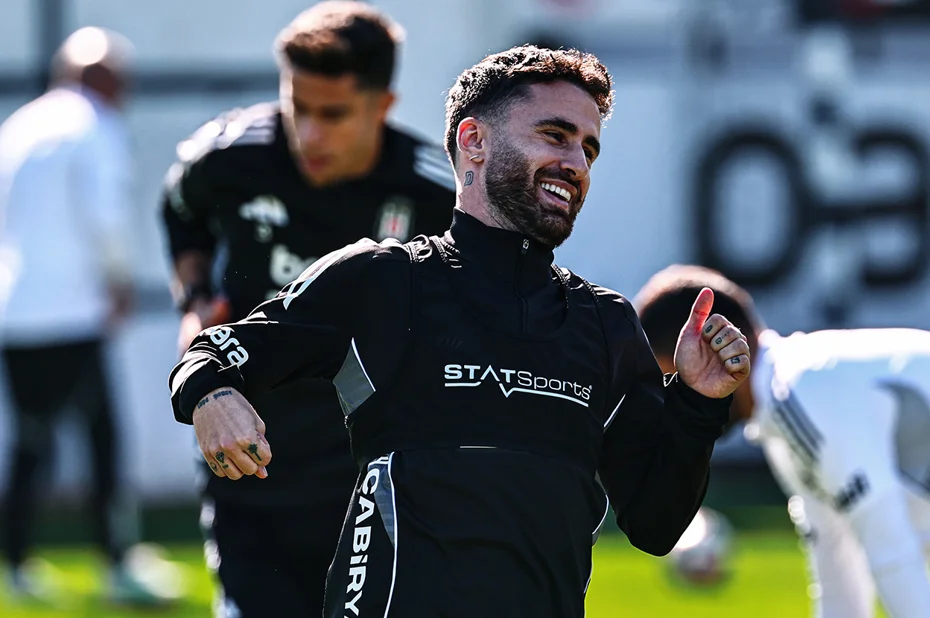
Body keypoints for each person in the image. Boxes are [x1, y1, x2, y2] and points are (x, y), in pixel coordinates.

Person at [168, 45, 749, 618]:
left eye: (588, 148)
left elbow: (655, 525)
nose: (576, 163)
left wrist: (699, 403)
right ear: (474, 141)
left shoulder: (606, 324)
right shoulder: (381, 279)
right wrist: (211, 395)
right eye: (554, 135)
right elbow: (214, 352)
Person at [158, 3, 455, 616]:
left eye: (333, 115)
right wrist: (194, 302)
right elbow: (180, 211)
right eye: (298, 108)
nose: (309, 135)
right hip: (249, 452)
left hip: (371, 467)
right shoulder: (228, 156)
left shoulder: (433, 194)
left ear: (383, 105)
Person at [633, 264, 930, 618]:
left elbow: (892, 552)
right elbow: (838, 577)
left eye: (672, 381)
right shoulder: (786, 417)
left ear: (713, 349)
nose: (671, 406)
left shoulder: (798, 393)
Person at [0, 27, 167, 605]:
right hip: (72, 311)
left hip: (18, 312)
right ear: (104, 79)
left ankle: (15, 565)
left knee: (30, 444)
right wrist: (119, 280)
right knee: (102, 439)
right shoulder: (93, 126)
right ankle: (117, 563)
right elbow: (107, 216)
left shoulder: (21, 125)